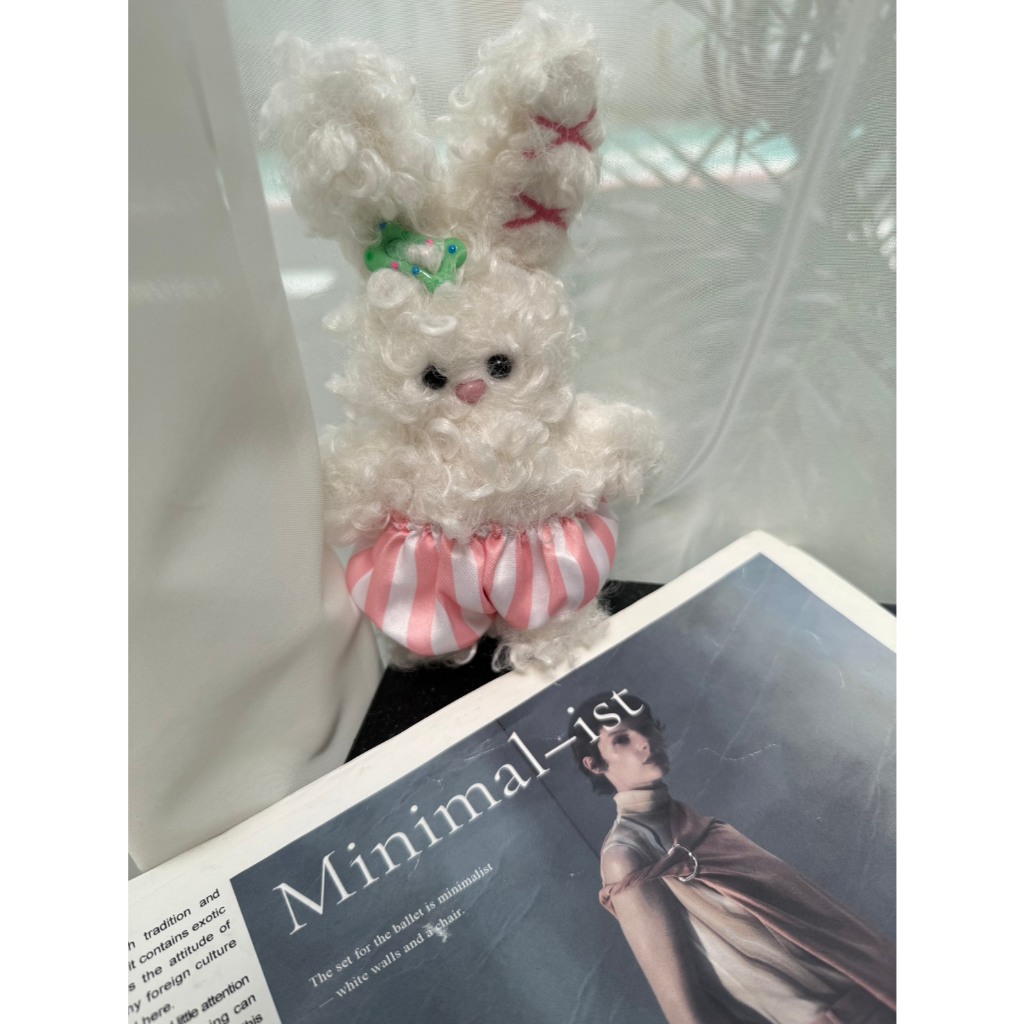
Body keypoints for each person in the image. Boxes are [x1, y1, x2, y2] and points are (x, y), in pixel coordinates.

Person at [572, 692, 896, 1024]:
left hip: (872, 989)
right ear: (594, 764)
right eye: (621, 739)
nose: (644, 742)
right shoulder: (625, 854)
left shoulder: (694, 822)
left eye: (645, 727)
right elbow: (681, 1007)